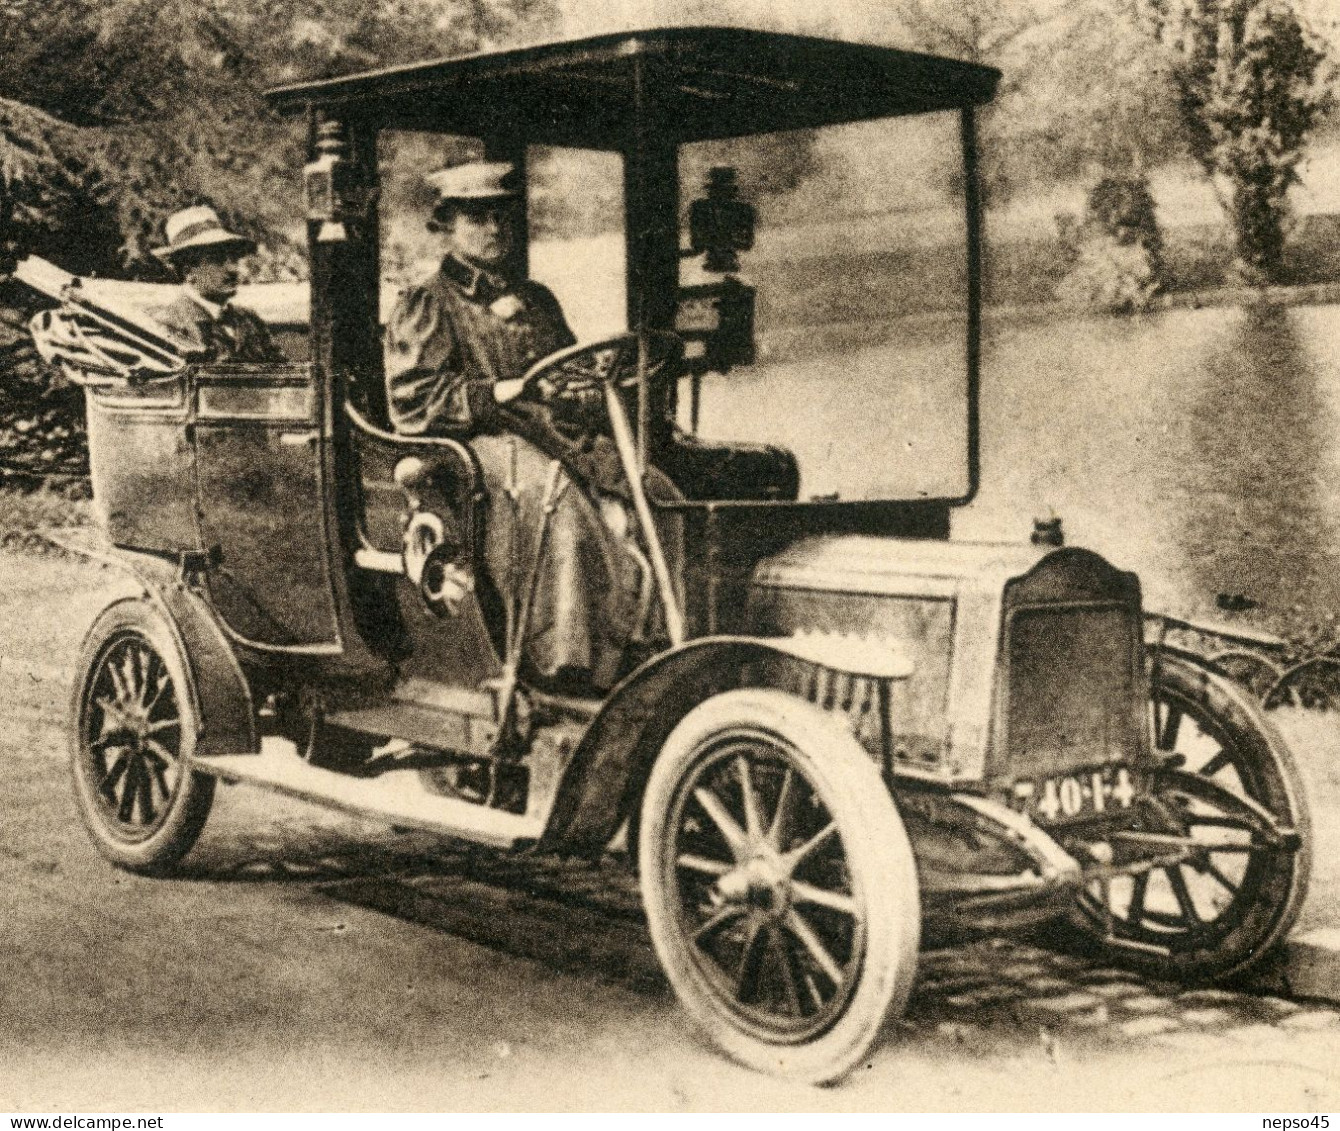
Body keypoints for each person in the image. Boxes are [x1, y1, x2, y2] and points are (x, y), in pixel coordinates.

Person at [384, 161, 673, 692]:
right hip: (479, 442)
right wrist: (498, 392)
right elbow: (413, 399)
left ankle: (655, 646)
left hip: (552, 433)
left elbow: (565, 368)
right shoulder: (429, 302)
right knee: (556, 511)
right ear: (447, 226)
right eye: (477, 217)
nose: (493, 229)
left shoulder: (538, 300)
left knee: (654, 490)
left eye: (501, 217)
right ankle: (566, 667)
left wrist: (582, 389)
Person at [151, 206, 282, 363]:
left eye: (233, 258)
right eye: (218, 260)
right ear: (188, 272)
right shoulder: (167, 325)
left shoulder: (250, 320)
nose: (232, 269)